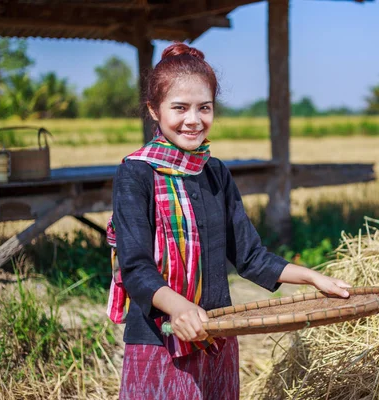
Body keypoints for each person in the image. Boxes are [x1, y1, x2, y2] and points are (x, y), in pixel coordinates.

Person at [107, 42, 351, 400]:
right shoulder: (136, 173)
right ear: (153, 111)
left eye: (204, 108)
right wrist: (180, 308)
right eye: (180, 108)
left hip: (218, 333)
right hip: (160, 340)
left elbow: (250, 256)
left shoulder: (216, 172)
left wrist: (312, 277)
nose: (194, 120)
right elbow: (135, 267)